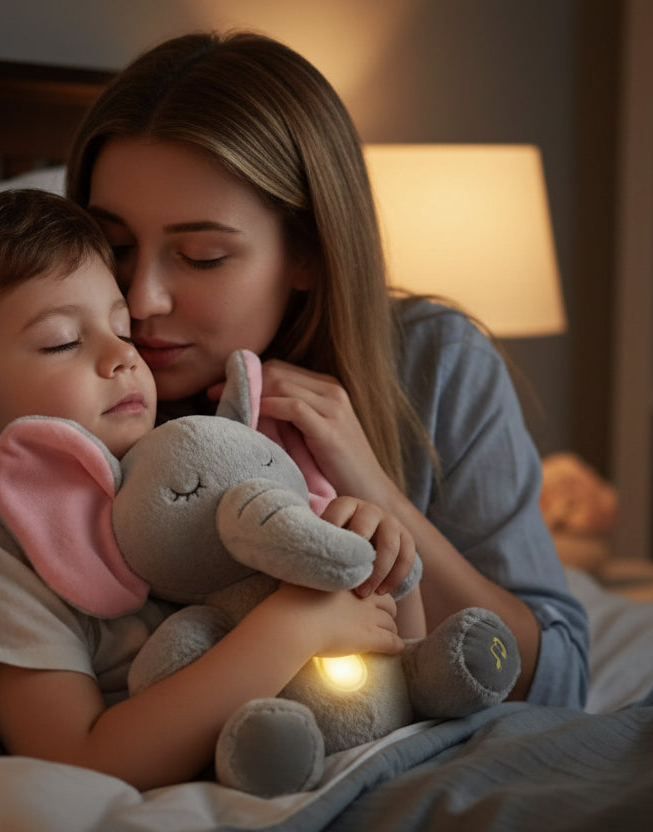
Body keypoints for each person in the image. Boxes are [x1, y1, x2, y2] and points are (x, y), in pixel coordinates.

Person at [0, 184, 412, 791]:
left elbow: (399, 641)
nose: (125, 358)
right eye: (63, 342)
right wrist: (294, 628)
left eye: (122, 329)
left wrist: (377, 556)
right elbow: (80, 762)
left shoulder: (194, 461)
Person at [65, 30, 589, 709]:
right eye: (116, 247)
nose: (141, 301)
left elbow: (556, 685)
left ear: (307, 251)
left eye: (200, 256)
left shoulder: (436, 361)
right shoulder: (60, 384)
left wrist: (373, 486)